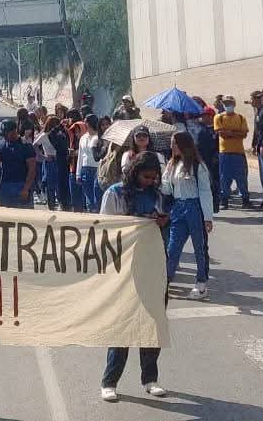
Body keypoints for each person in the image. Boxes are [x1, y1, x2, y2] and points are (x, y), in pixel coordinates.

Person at [99, 151, 169, 402]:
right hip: (124, 268)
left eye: (153, 177)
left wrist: (161, 221)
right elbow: (105, 227)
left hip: (152, 266)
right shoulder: (115, 193)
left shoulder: (157, 195)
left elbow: (162, 224)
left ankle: (150, 379)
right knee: (122, 325)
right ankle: (110, 382)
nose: (150, 181)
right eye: (146, 176)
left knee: (152, 324)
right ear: (134, 172)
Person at [161, 131, 214, 299]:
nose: (172, 146)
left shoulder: (198, 166)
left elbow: (205, 191)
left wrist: (207, 217)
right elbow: (167, 189)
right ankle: (165, 280)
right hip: (177, 208)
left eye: (175, 143)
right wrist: (162, 179)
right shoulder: (172, 164)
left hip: (194, 207)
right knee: (173, 247)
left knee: (199, 247)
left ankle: (201, 284)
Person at [213, 95, 251, 209]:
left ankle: (245, 200)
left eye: (229, 103)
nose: (227, 105)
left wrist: (229, 132)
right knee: (224, 177)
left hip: (238, 152)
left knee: (241, 178)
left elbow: (244, 134)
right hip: (224, 152)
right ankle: (224, 200)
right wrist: (236, 133)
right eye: (225, 103)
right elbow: (221, 133)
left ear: (234, 104)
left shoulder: (241, 118)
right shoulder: (218, 117)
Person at [0, 120, 37, 209]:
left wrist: (26, 188)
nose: (4, 137)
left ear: (14, 131)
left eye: (6, 134)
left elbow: (32, 169)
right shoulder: (0, 145)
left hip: (21, 184)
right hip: (5, 185)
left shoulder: (26, 146)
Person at [73, 114, 103, 213]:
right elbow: (80, 156)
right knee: (88, 195)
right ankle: (91, 211)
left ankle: (97, 212)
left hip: (97, 168)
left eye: (86, 122)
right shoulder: (83, 137)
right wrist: (78, 174)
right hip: (85, 168)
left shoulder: (99, 137)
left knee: (97, 195)